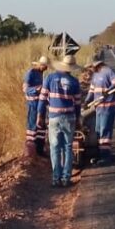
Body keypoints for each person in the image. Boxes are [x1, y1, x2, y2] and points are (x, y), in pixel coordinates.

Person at [38, 51, 82, 188]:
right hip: (69, 117)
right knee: (68, 147)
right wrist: (78, 119)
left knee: (55, 147)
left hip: (54, 118)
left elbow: (43, 99)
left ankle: (56, 178)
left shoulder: (50, 78)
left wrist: (40, 115)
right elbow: (78, 104)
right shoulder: (74, 82)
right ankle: (65, 178)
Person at [84, 49, 115, 163]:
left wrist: (108, 91)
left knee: (105, 131)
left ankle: (105, 156)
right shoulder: (95, 75)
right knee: (98, 130)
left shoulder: (108, 71)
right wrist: (86, 101)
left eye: (91, 66)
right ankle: (100, 154)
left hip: (108, 106)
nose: (90, 69)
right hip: (98, 107)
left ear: (96, 64)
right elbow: (92, 90)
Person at [22, 55, 49, 158]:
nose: (46, 68)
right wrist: (37, 89)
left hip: (40, 104)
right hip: (32, 104)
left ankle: (40, 150)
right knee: (32, 126)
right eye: (45, 66)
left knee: (41, 127)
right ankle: (31, 151)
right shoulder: (31, 73)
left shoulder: (41, 74)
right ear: (40, 65)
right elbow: (25, 89)